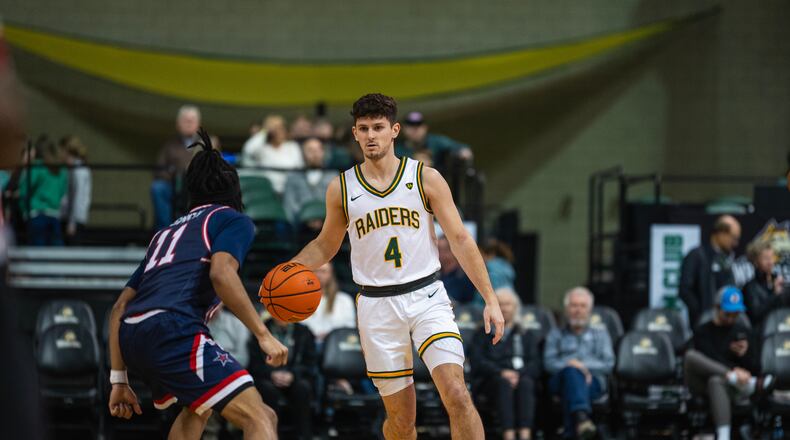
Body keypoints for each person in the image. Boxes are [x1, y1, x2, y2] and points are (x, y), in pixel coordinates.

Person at [288, 93, 504, 439]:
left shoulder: (425, 178)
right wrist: (289, 268)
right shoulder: (341, 188)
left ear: (394, 131)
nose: (371, 135)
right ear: (355, 134)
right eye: (363, 129)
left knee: (457, 393)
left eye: (378, 127)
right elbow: (325, 245)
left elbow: (461, 239)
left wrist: (490, 298)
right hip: (376, 306)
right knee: (402, 421)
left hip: (426, 296)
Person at [107, 130, 287, 439]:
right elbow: (221, 274)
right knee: (261, 416)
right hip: (173, 327)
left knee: (198, 407)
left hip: (133, 334)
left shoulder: (164, 234)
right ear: (234, 189)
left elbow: (120, 306)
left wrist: (118, 379)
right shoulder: (231, 220)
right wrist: (263, 334)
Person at [684, 286, 774, 440]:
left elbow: (755, 367)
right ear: (717, 308)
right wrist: (732, 371)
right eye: (727, 313)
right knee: (691, 356)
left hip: (731, 386)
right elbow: (708, 358)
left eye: (736, 314)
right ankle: (740, 380)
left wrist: (745, 354)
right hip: (702, 383)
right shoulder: (703, 331)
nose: (731, 318)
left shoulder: (743, 331)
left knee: (715, 381)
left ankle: (723, 436)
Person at [544, 287, 614, 440]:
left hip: (593, 382)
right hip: (559, 380)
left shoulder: (601, 334)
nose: (578, 310)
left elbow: (608, 363)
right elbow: (549, 363)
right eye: (574, 305)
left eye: (583, 306)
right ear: (566, 309)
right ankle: (582, 419)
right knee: (571, 373)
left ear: (590, 310)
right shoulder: (555, 334)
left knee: (572, 380)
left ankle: (573, 427)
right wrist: (571, 366)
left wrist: (582, 367)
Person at [471, 287, 540, 440]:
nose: (504, 308)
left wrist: (518, 374)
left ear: (516, 308)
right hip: (491, 381)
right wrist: (501, 372)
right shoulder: (482, 333)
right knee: (503, 383)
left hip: (521, 378)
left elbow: (535, 363)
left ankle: (525, 435)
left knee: (526, 383)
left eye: (508, 304)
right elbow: (478, 362)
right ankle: (508, 435)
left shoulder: (525, 333)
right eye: (500, 304)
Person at [247, 313, 317, 440]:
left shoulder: (304, 332)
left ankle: (303, 435)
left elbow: (310, 364)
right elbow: (253, 365)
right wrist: (271, 374)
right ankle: (271, 435)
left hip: (294, 377)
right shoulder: (261, 331)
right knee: (267, 390)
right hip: (268, 378)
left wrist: (293, 374)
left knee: (303, 388)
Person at [680, 215, 741, 326]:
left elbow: (730, 287)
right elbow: (685, 290)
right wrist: (701, 312)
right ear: (721, 233)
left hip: (726, 323)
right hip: (702, 324)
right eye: (733, 238)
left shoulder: (725, 259)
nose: (735, 243)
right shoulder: (696, 255)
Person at [151, 105, 200, 230]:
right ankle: (166, 231)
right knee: (158, 188)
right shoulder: (170, 146)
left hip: (198, 188)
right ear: (178, 124)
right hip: (173, 186)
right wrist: (175, 177)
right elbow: (160, 169)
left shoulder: (205, 144)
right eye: (185, 120)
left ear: (198, 124)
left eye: (192, 120)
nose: (188, 123)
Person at [19, 136, 68, 246]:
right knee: (55, 253)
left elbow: (24, 189)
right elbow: (62, 191)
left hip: (36, 215)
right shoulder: (61, 169)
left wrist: (23, 209)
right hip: (54, 215)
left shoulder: (37, 166)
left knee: (37, 252)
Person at [282, 137, 338, 228]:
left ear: (323, 152)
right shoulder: (293, 176)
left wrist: (323, 217)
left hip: (329, 224)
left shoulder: (334, 176)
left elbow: (337, 202)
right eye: (310, 150)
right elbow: (289, 203)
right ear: (303, 154)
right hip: (300, 225)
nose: (315, 154)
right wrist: (306, 216)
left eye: (318, 150)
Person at [241, 115, 304, 194]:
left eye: (281, 128)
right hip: (268, 190)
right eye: (275, 129)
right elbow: (248, 150)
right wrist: (265, 131)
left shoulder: (292, 146)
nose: (278, 132)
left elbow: (299, 167)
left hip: (291, 189)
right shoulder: (263, 148)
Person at [396, 111, 472, 173]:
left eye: (419, 125)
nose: (415, 129)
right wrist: (414, 162)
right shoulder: (398, 150)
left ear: (425, 127)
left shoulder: (435, 141)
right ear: (403, 128)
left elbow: (460, 147)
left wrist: (462, 152)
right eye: (411, 125)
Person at [302, 262, 356, 344]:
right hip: (308, 344)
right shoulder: (302, 300)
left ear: (331, 274)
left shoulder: (344, 300)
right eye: (316, 271)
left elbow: (349, 327)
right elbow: (298, 325)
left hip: (335, 344)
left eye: (323, 271)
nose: (319, 275)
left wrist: (329, 335)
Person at [743, 240, 789, 329]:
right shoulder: (750, 287)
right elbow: (756, 315)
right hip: (763, 333)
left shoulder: (780, 281)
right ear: (755, 261)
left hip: (783, 331)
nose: (770, 262)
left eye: (772, 257)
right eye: (766, 258)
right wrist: (775, 295)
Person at [60, 135, 92, 244]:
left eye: (62, 151)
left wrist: (72, 222)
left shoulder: (79, 170)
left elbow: (78, 196)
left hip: (75, 219)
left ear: (67, 152)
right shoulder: (73, 169)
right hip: (72, 217)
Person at [439, 235, 476, 304]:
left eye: (446, 250)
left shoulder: (465, 276)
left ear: (455, 250)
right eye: (439, 250)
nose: (441, 254)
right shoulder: (435, 275)